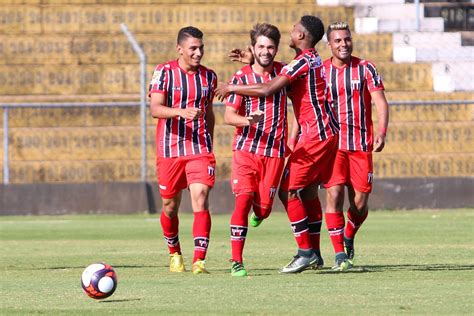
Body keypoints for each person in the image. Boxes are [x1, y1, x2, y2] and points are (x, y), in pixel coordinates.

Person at [217, 16, 339, 273]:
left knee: (288, 191)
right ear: (254, 48)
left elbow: (267, 89)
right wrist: (251, 64)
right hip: (319, 135)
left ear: (302, 36)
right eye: (260, 47)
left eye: (294, 30)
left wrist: (232, 88)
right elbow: (262, 81)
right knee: (305, 194)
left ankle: (306, 252)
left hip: (313, 137)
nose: (291, 31)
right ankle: (311, 252)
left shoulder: (298, 64)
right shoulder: (307, 60)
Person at [148, 26, 217, 274]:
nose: (198, 53)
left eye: (201, 48)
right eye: (193, 49)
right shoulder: (163, 72)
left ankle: (200, 260)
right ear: (180, 49)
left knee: (201, 197)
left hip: (199, 149)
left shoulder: (209, 77)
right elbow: (155, 108)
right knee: (170, 206)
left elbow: (209, 113)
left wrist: (209, 140)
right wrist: (180, 112)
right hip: (170, 151)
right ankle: (175, 252)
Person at [322, 22, 389, 271]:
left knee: (359, 204)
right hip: (332, 146)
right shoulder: (320, 71)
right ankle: (340, 254)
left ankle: (349, 235)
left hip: (361, 145)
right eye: (338, 41)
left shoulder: (365, 67)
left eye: (347, 39)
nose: (343, 44)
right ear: (329, 45)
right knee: (334, 194)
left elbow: (381, 103)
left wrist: (381, 132)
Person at [224, 23, 288, 277]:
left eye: (270, 47)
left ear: (276, 49)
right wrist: (247, 121)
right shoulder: (240, 78)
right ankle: (236, 261)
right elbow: (229, 115)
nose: (265, 51)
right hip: (246, 150)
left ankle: (259, 214)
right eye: (260, 46)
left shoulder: (284, 72)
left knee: (263, 210)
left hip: (274, 153)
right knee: (243, 200)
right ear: (253, 48)